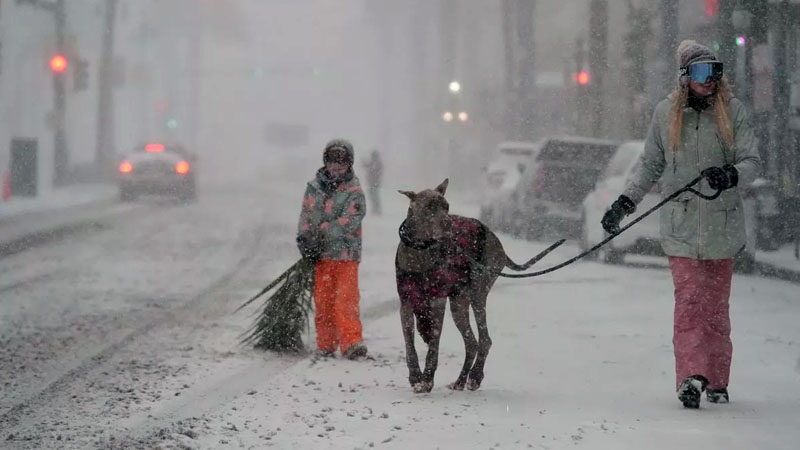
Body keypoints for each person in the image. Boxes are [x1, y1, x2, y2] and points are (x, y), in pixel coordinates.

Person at [601, 40, 760, 408]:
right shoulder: (665, 114)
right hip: (681, 226)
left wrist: (730, 174)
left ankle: (717, 380)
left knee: (716, 307)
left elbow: (752, 161)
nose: (710, 80)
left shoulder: (733, 112)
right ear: (686, 77)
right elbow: (650, 166)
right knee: (688, 302)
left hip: (722, 228)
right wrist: (624, 203)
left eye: (716, 71)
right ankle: (690, 376)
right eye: (703, 72)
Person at [296, 139, 368, 360]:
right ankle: (326, 343)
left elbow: (351, 220)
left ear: (349, 163)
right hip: (322, 257)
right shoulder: (313, 188)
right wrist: (305, 238)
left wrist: (323, 234)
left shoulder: (354, 190)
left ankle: (351, 342)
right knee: (324, 300)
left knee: (345, 300)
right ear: (325, 161)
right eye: (332, 160)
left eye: (342, 161)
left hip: (346, 256)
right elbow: (306, 215)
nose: (336, 166)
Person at [361, 149, 383, 215]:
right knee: (372, 196)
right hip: (371, 182)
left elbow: (376, 171)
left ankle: (377, 210)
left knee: (374, 196)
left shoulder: (377, 163)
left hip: (375, 182)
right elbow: (366, 166)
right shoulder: (373, 163)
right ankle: (375, 209)